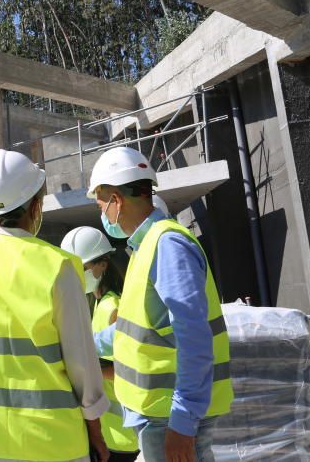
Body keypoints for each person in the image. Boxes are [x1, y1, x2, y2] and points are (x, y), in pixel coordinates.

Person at [0, 149, 109, 462]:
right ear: (35, 204)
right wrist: (95, 429)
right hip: (47, 441)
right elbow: (82, 362)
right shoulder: (58, 265)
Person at [88, 147, 233, 462]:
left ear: (116, 200)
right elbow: (135, 331)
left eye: (100, 202)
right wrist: (84, 344)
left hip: (169, 416)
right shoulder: (147, 247)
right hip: (158, 414)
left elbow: (194, 337)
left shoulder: (168, 244)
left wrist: (183, 422)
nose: (101, 212)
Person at [61, 227, 139, 462]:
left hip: (118, 434)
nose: (77, 274)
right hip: (107, 430)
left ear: (102, 265)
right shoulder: (97, 304)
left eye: (82, 268)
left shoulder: (113, 307)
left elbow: (125, 370)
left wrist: (82, 369)